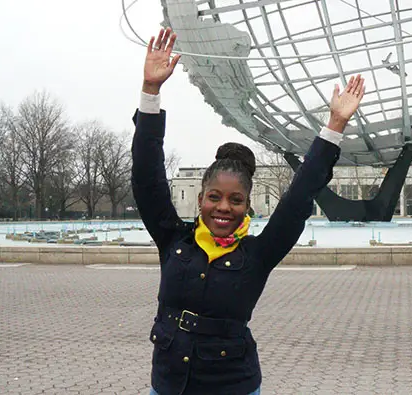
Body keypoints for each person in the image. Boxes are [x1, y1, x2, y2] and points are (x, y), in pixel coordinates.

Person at [132, 28, 365, 395]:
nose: (223, 207)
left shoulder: (257, 255)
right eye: (214, 197)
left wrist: (334, 126)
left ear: (247, 206)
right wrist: (150, 91)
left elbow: (298, 198)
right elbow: (147, 176)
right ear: (200, 199)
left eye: (235, 200)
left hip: (234, 386)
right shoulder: (173, 239)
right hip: (169, 385)